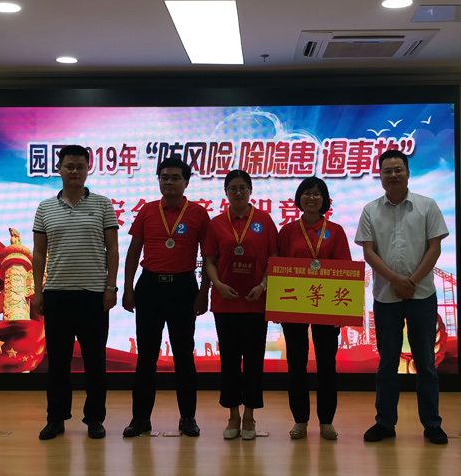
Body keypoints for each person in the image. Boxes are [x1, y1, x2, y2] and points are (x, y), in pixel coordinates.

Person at [354, 149, 449, 445]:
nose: (393, 175)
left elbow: (434, 248)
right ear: (380, 176)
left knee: (426, 363)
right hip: (386, 296)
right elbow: (369, 252)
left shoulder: (427, 205)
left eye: (398, 169)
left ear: (408, 173)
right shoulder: (370, 210)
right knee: (387, 363)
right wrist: (396, 280)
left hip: (422, 296)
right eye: (387, 171)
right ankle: (385, 423)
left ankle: (432, 423)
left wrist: (412, 282)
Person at [32, 144, 119, 440]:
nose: (74, 171)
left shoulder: (103, 205)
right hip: (56, 294)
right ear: (59, 169)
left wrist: (110, 287)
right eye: (69, 166)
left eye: (80, 166)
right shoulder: (45, 208)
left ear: (88, 169)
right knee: (58, 362)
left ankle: (95, 419)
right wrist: (38, 291)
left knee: (95, 361)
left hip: (93, 295)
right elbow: (39, 252)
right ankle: (56, 418)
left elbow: (113, 249)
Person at [122, 157, 210, 437]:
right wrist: (127, 288)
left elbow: (209, 256)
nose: (169, 181)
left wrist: (204, 292)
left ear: (186, 182)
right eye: (164, 177)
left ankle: (188, 418)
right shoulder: (148, 211)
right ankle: (140, 419)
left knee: (184, 355)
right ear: (158, 180)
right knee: (146, 356)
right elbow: (134, 251)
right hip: (150, 287)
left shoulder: (198, 213)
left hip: (183, 288)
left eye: (175, 177)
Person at [203, 170, 278, 440]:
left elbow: (274, 259)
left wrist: (263, 286)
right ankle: (233, 415)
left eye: (243, 188)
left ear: (250, 190)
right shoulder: (216, 223)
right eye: (232, 188)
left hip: (256, 303)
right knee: (230, 362)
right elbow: (209, 260)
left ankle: (250, 416)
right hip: (226, 303)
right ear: (225, 192)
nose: (238, 192)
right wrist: (218, 285)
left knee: (254, 362)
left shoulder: (264, 220)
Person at [278, 176, 352, 440]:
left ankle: (326, 422)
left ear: (325, 200)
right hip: (294, 304)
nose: (312, 198)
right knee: (296, 364)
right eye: (307, 193)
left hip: (327, 306)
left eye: (317, 194)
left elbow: (344, 268)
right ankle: (300, 420)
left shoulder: (336, 230)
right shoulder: (287, 231)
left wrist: (341, 312)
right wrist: (277, 306)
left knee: (327, 365)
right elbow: (277, 266)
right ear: (299, 198)